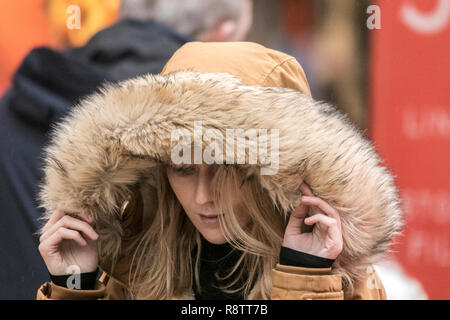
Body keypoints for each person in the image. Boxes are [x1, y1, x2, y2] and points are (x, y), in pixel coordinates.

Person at [36, 41, 403, 300]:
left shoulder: (340, 278)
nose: (203, 196)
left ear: (276, 173)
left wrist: (305, 278)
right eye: (183, 168)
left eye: (227, 168)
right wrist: (76, 284)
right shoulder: (135, 266)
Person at [0, 0, 253, 299]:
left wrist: (72, 286)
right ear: (224, 35)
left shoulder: (16, 104)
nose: (203, 195)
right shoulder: (222, 122)